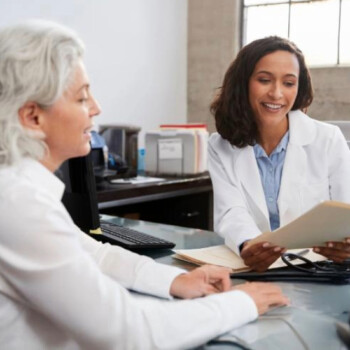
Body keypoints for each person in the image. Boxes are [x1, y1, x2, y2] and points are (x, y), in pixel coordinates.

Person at [0, 20, 289, 350]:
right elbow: (130, 332)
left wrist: (175, 279)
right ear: (32, 117)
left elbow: (95, 256)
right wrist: (242, 302)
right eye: (82, 98)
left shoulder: (21, 191)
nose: (96, 108)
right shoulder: (18, 204)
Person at [208, 36, 350, 272]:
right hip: (257, 270)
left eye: (289, 83)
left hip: (321, 269)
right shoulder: (220, 146)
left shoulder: (328, 139)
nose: (276, 93)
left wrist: (346, 245)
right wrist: (248, 244)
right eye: (264, 80)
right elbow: (230, 211)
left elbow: (346, 210)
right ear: (243, 83)